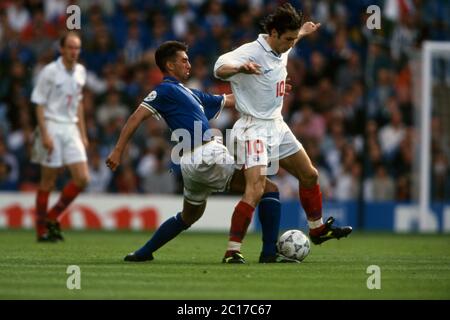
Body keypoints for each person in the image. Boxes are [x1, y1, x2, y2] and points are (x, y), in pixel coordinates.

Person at [106, 41, 294, 263]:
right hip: (207, 155)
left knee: (189, 216)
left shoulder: (190, 94)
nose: (189, 64)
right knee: (267, 188)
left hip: (190, 164)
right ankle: (265, 253)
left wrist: (271, 91)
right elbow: (136, 117)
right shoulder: (164, 90)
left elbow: (233, 100)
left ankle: (144, 253)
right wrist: (118, 151)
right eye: (184, 60)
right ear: (169, 65)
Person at [214, 3, 352, 260]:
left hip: (277, 125)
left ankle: (317, 229)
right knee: (255, 190)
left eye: (292, 38)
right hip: (253, 127)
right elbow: (219, 68)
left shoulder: (282, 46)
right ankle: (232, 250)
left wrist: (305, 31)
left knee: (310, 175)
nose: (290, 44)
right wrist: (240, 68)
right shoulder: (251, 51)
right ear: (274, 33)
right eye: (287, 39)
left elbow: (294, 37)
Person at [31, 32, 89, 242]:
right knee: (48, 180)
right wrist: (44, 134)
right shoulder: (50, 72)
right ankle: (40, 231)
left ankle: (52, 216)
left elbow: (79, 103)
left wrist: (83, 134)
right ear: (61, 49)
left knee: (82, 178)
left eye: (77, 48)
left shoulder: (81, 71)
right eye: (71, 47)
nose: (74, 51)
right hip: (52, 125)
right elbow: (39, 103)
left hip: (71, 127)